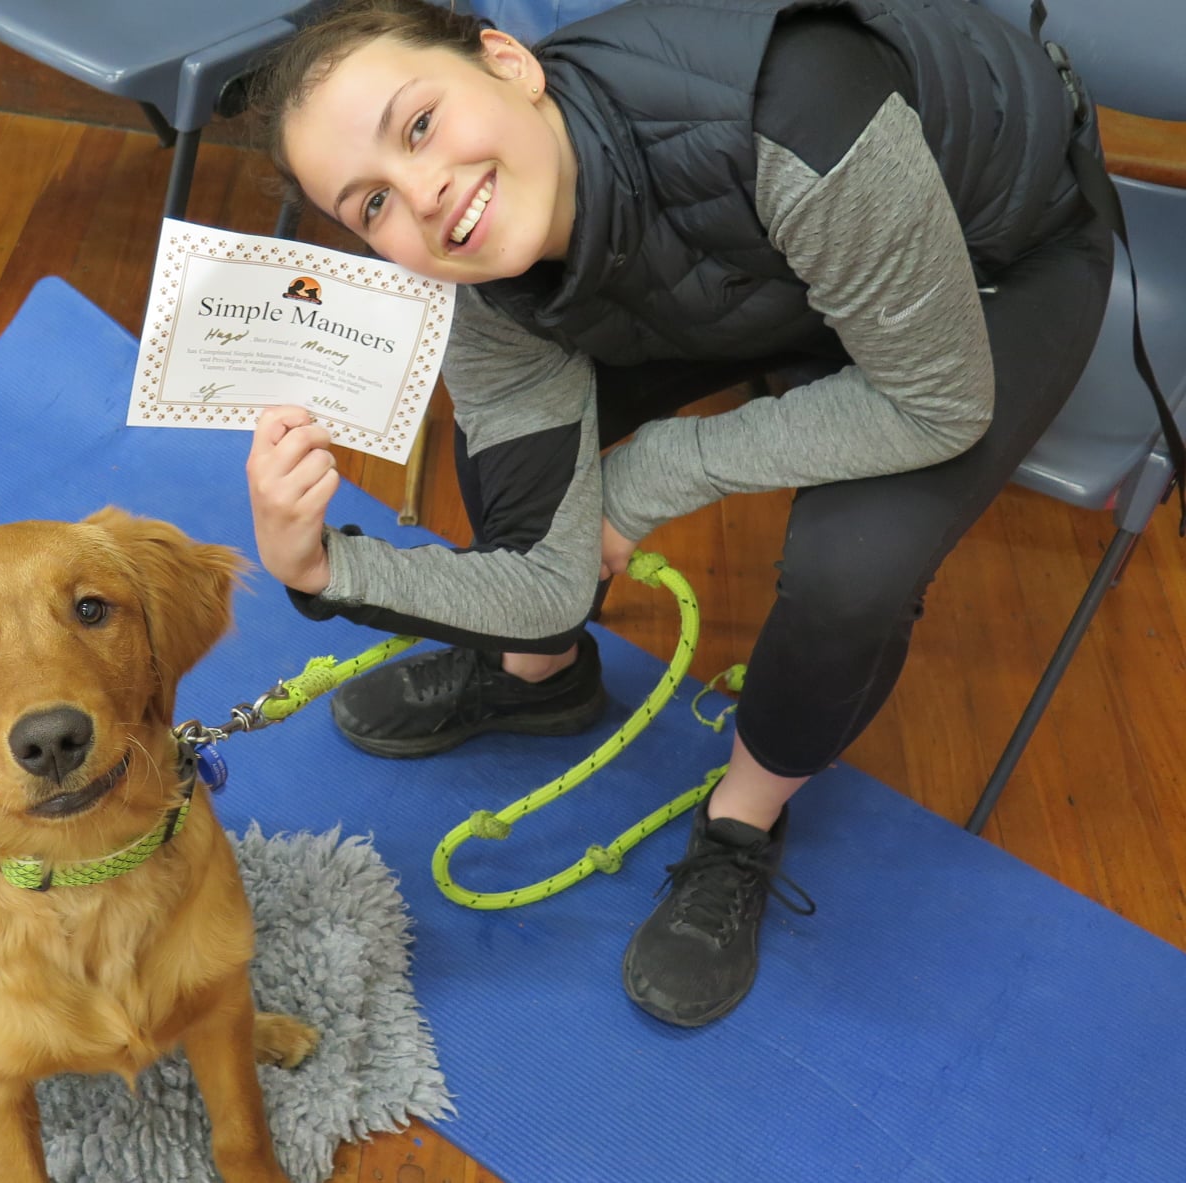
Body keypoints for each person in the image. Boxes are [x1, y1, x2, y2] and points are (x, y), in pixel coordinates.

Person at [241, 0, 1114, 1027]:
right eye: (372, 202)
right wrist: (319, 569)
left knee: (853, 569)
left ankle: (743, 822)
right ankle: (540, 678)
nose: (423, 194)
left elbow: (933, 401)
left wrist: (657, 472)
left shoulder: (795, 102)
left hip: (988, 259)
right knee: (520, 458)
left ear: (509, 62)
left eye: (420, 123)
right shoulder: (482, 280)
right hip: (758, 265)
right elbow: (544, 572)